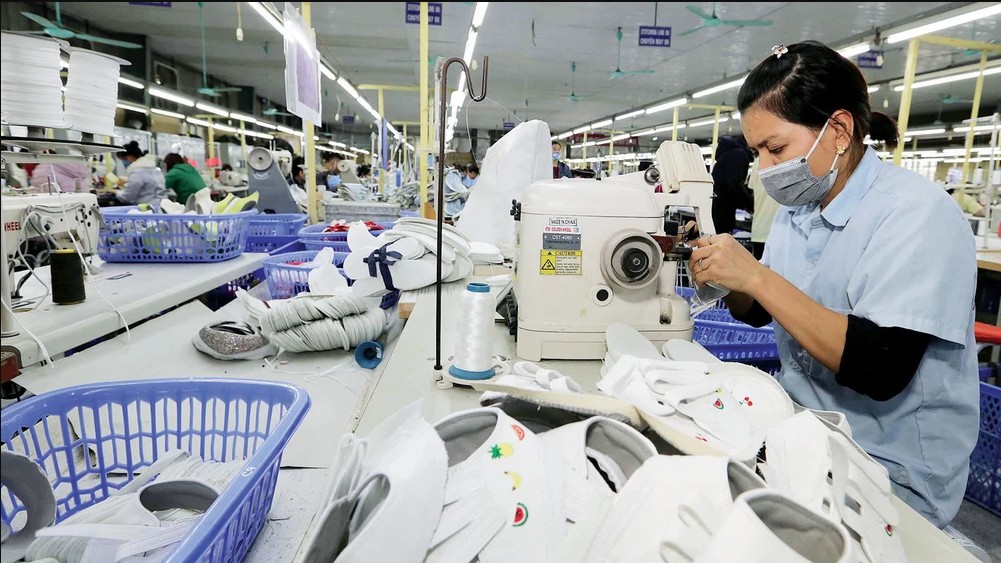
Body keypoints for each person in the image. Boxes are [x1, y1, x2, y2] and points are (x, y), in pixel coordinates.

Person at [689, 41, 978, 529]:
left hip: (886, 471)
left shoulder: (916, 213)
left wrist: (755, 274)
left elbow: (879, 368)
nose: (764, 169)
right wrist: (725, 272)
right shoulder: (800, 210)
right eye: (757, 153)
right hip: (801, 438)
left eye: (776, 149)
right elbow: (757, 311)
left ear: (839, 131)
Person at [710, 135, 754, 235]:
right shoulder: (738, 154)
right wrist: (752, 205)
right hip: (723, 210)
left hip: (716, 207)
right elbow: (735, 185)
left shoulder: (729, 153)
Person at [115, 141, 168, 205]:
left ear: (129, 157)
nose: (124, 162)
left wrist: (116, 192)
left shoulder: (137, 172)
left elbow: (127, 197)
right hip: (160, 205)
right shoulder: (154, 169)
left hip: (146, 207)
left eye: (123, 159)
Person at [747, 157, 780, 260]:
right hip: (781, 231)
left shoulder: (758, 161)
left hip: (760, 229)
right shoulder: (789, 158)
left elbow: (752, 189)